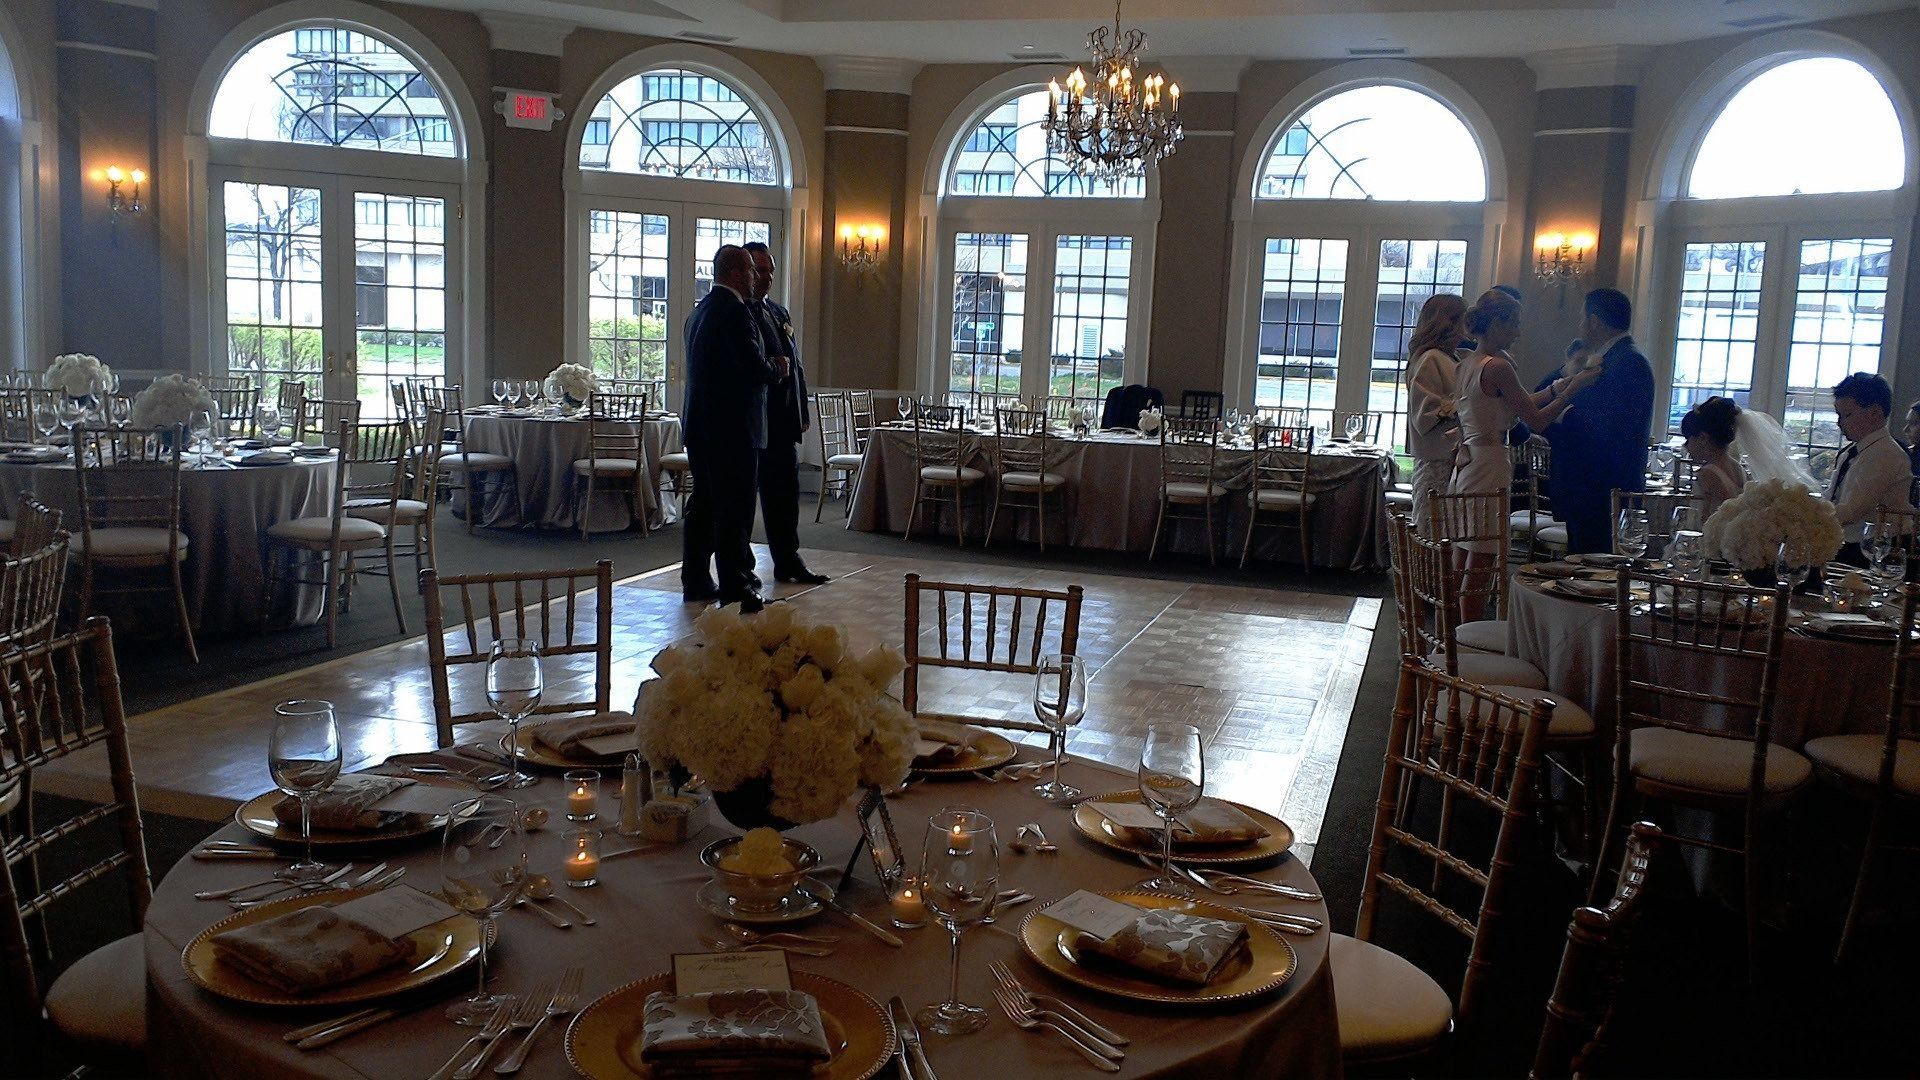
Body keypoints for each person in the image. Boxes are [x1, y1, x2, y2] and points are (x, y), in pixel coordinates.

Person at [1448, 290, 1599, 618]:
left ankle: (1452, 637)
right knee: (1481, 562)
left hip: (1467, 463)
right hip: (1488, 464)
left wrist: (1560, 384)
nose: (1518, 332)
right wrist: (1572, 390)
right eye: (1514, 324)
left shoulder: (1467, 363)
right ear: (1497, 324)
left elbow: (1519, 402)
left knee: (1463, 556)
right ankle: (1469, 643)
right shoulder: (1499, 366)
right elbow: (1536, 420)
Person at [681, 244, 786, 612]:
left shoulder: (699, 312)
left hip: (700, 429)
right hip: (733, 432)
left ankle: (695, 579)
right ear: (738, 273)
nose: (758, 278)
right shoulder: (736, 313)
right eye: (753, 272)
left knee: (705, 505)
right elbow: (751, 369)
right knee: (734, 511)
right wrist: (778, 368)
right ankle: (737, 587)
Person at [1534, 288, 1655, 554]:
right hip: (1588, 487)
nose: (1580, 326)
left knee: (1595, 570)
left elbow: (1607, 427)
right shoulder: (1614, 358)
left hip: (1601, 488)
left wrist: (1558, 416)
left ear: (1595, 321)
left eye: (1582, 318)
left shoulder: (1629, 363)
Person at [740, 242, 828, 586]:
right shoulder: (739, 313)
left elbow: (797, 365)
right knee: (747, 502)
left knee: (785, 497)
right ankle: (743, 568)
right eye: (760, 271)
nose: (767, 278)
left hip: (782, 421)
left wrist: (801, 408)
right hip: (754, 423)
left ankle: (788, 560)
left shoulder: (779, 312)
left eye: (771, 271)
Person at [1827, 371, 1913, 564]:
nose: (1839, 423)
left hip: (1879, 551)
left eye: (1846, 415)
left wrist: (1809, 516)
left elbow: (1853, 510)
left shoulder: (1887, 454)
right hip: (1850, 543)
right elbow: (1834, 495)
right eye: (1838, 415)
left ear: (1875, 413)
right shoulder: (1852, 452)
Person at [1403, 293, 1467, 527]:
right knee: (1435, 529)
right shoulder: (1431, 359)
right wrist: (1467, 405)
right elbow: (1425, 412)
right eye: (1462, 321)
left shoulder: (1450, 357)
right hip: (1437, 459)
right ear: (1449, 322)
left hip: (1449, 457)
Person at [1679, 397, 1747, 514]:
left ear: (1703, 438)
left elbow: (1704, 519)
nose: (1686, 446)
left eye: (1688, 439)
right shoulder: (1738, 468)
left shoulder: (1708, 473)